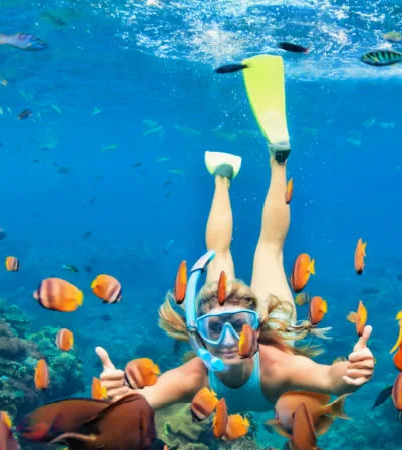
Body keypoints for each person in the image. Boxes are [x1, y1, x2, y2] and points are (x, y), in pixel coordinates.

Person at [95, 54, 374, 414]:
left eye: (238, 325)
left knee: (232, 252)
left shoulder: (276, 367)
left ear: (256, 329)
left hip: (270, 329)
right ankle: (265, 162)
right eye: (216, 329)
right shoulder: (196, 374)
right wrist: (122, 397)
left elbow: (329, 378)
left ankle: (234, 172)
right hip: (280, 321)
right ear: (201, 335)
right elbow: (143, 400)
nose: (228, 340)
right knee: (268, 250)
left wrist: (348, 375)